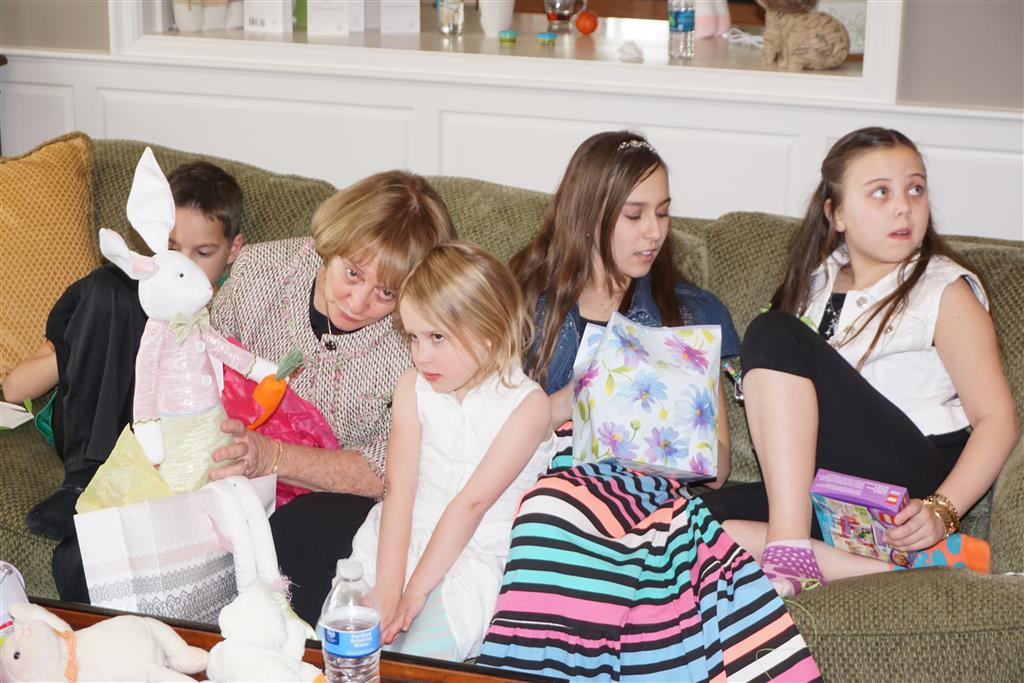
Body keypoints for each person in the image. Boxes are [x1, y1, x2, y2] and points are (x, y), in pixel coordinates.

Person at [477, 131, 821, 681]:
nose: (655, 232)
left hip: (652, 497)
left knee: (573, 520)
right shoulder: (522, 301)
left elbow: (719, 466)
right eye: (635, 215)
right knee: (550, 510)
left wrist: (671, 443)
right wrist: (570, 404)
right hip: (550, 482)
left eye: (662, 212)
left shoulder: (689, 311)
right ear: (588, 214)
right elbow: (481, 421)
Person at [701, 127, 1019, 597]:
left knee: (772, 331)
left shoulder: (944, 288)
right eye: (881, 193)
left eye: (915, 189)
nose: (903, 207)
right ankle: (909, 574)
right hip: (832, 487)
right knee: (694, 523)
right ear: (836, 214)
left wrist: (942, 510)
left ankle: (788, 548)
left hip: (905, 474)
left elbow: (998, 419)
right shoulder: (815, 283)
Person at [208, 170, 456, 625]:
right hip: (230, 473)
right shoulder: (261, 273)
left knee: (298, 532)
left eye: (387, 293)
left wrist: (275, 457)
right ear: (330, 244)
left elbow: (390, 471)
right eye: (352, 273)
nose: (358, 303)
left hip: (339, 505)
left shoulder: (418, 342)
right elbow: (202, 366)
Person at [4, 160, 244, 542]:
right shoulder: (129, 290)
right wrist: (87, 343)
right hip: (93, 420)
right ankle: (82, 481)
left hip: (174, 437)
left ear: (233, 250)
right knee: (109, 288)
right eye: (171, 247)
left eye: (202, 252)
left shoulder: (238, 300)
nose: (182, 264)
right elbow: (16, 389)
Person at [347, 241, 556, 661]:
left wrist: (414, 591)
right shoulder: (412, 387)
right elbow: (400, 489)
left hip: (472, 558)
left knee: (414, 663)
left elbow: (471, 505)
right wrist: (389, 586)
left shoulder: (528, 406)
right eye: (413, 337)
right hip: (396, 544)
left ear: (488, 330)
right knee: (339, 651)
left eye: (437, 337)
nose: (421, 355)